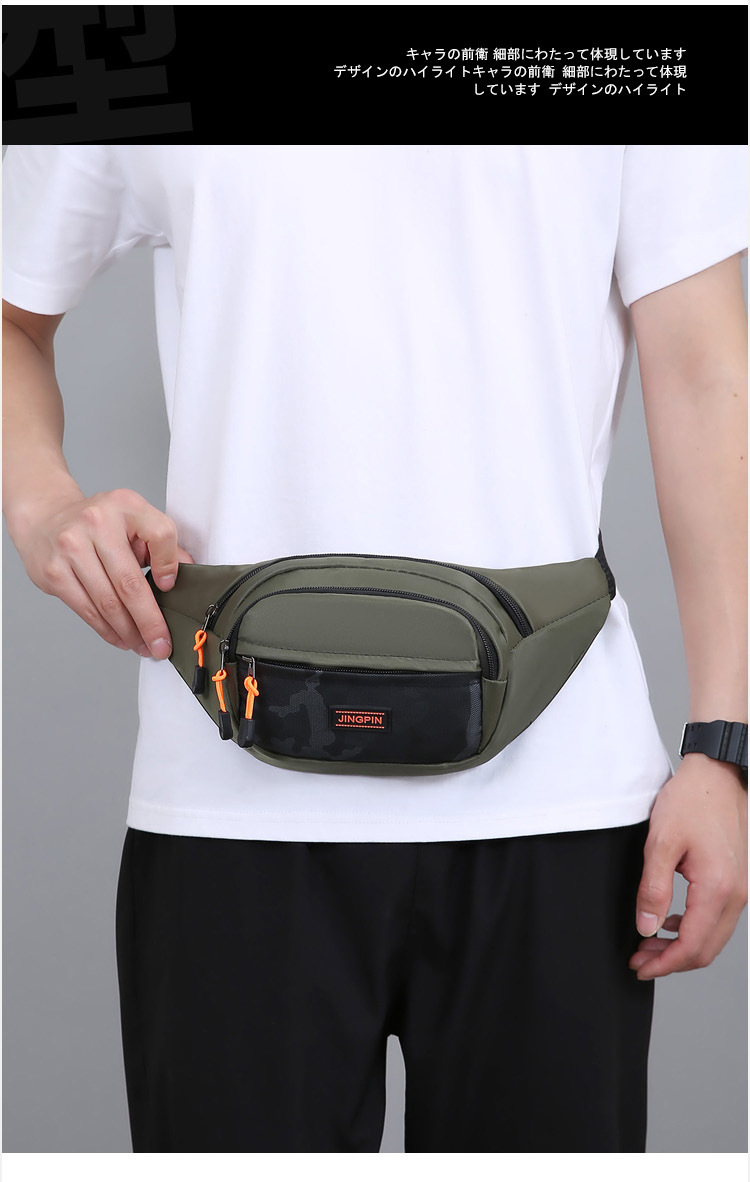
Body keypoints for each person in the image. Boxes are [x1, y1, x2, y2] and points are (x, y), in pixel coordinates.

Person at [2, 145, 747, 1154]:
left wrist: (725, 743)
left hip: (560, 794)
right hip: (230, 803)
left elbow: (704, 368)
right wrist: (43, 509)